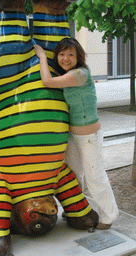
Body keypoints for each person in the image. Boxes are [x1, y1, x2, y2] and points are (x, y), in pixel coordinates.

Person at [34, 37, 119, 230]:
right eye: (62, 54)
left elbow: (46, 81)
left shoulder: (80, 74)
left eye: (70, 54)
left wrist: (41, 57)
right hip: (73, 136)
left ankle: (109, 216)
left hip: (89, 137)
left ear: (78, 56)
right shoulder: (69, 74)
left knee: (95, 176)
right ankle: (77, 210)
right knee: (73, 175)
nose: (65, 58)